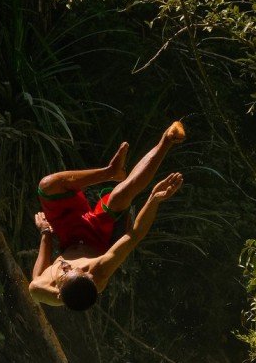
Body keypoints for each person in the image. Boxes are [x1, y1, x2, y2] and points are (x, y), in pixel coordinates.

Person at [29, 122, 186, 310]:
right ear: (88, 276)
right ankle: (166, 140)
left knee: (48, 185)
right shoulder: (100, 270)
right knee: (122, 194)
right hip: (101, 238)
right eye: (72, 270)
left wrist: (46, 233)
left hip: (68, 236)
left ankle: (112, 172)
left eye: (64, 273)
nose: (65, 266)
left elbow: (37, 278)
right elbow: (134, 235)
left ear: (58, 292)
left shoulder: (39, 289)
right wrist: (154, 200)